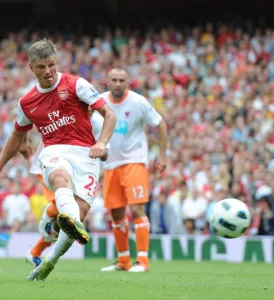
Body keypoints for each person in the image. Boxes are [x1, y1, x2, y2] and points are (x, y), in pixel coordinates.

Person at [0, 38, 116, 281]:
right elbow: (16, 136)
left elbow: (109, 114)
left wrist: (101, 143)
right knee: (59, 178)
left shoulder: (76, 84)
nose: (48, 71)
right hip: (54, 150)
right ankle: (68, 221)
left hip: (86, 154)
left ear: (57, 61)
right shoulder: (27, 102)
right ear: (32, 68)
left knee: (80, 212)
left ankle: (49, 261)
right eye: (42, 67)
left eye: (51, 65)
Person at [100, 68, 167, 272]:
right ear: (108, 81)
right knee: (117, 214)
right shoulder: (100, 102)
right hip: (111, 164)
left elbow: (160, 124)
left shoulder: (138, 102)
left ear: (128, 82)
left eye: (122, 80)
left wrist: (162, 155)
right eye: (114, 80)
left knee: (137, 209)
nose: (118, 84)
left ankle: (143, 261)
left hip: (135, 162)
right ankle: (123, 261)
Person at [21, 109, 107, 268]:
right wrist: (23, 140)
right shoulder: (66, 108)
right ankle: (49, 213)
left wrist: (101, 149)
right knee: (63, 201)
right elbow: (25, 114)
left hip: (79, 168)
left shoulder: (98, 123)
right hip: (51, 163)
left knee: (71, 220)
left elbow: (105, 151)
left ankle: (34, 253)